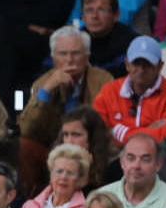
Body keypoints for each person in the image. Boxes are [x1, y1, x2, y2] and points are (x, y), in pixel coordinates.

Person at [17, 26, 111, 193]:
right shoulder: (43, 83)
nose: (69, 59)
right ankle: (30, 198)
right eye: (63, 53)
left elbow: (103, 125)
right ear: (53, 58)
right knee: (24, 146)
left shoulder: (103, 80)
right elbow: (26, 128)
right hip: (53, 148)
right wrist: (47, 89)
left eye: (75, 53)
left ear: (87, 56)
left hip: (91, 146)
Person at [94, 36, 166, 149]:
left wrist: (118, 131)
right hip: (114, 156)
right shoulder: (109, 90)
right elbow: (97, 132)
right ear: (127, 64)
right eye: (136, 63)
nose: (141, 70)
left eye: (147, 64)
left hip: (159, 157)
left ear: (160, 66)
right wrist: (150, 130)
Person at [91, 132, 166, 208]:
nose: (136, 166)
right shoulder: (100, 196)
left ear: (158, 164)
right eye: (131, 158)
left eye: (145, 159)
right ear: (122, 162)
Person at [18, 143, 89, 208]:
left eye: (70, 173)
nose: (63, 177)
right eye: (59, 171)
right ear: (51, 175)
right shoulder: (29, 206)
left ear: (80, 179)